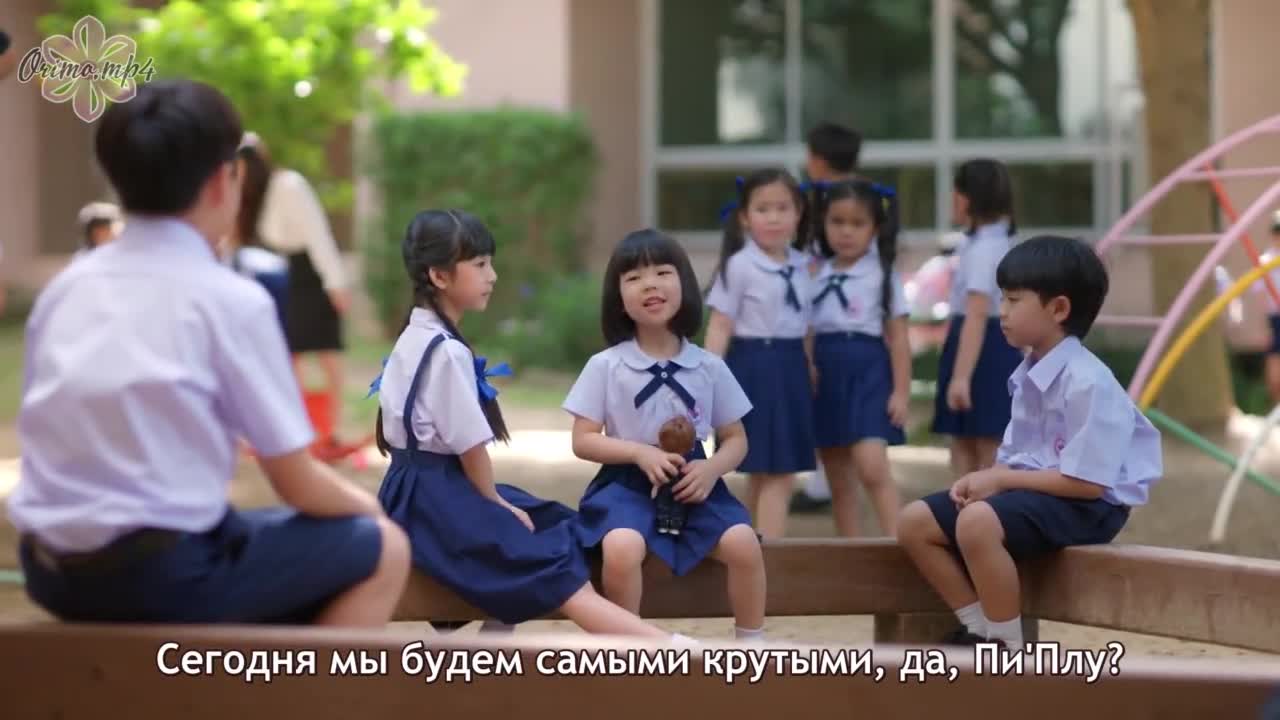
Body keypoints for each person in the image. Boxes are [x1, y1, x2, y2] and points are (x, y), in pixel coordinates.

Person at [9, 79, 409, 626]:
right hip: (161, 574)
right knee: (382, 548)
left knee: (243, 542)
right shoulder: (230, 299)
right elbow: (297, 483)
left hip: (49, 569)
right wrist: (379, 517)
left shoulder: (64, 290)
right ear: (227, 179)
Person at [372, 209, 690, 642]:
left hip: (410, 492)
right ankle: (668, 648)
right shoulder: (446, 351)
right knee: (549, 560)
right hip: (435, 502)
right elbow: (471, 449)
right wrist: (495, 505)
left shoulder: (415, 334)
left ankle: (492, 645)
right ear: (440, 276)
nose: (492, 276)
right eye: (480, 265)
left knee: (549, 520)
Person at [897, 235, 1162, 651]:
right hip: (1041, 493)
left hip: (1091, 507)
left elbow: (1088, 484)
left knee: (977, 523)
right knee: (915, 522)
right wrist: (987, 478)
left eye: (1014, 300)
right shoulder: (1027, 373)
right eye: (1002, 298)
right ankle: (978, 626)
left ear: (1058, 309)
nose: (1001, 311)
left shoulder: (1089, 382)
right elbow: (1016, 457)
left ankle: (1006, 644)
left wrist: (1000, 479)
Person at [564, 229, 767, 641]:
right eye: (634, 277)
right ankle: (628, 648)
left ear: (684, 284)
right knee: (621, 547)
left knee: (744, 542)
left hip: (695, 484)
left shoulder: (708, 367)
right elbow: (583, 439)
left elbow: (736, 438)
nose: (650, 284)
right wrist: (639, 454)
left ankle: (751, 644)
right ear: (618, 297)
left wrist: (712, 470)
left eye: (662, 272)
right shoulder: (606, 366)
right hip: (626, 484)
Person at [703, 168, 816, 539]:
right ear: (744, 217)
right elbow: (720, 325)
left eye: (783, 208)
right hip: (754, 369)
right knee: (777, 474)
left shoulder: (802, 265)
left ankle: (752, 549)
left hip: (791, 370)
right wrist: (708, 379)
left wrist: (809, 365)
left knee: (770, 472)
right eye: (763, 209)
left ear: (798, 214)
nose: (773, 217)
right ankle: (769, 557)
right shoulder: (740, 265)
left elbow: (804, 325)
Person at [808, 180, 910, 537]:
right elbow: (805, 328)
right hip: (826, 374)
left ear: (875, 228)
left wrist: (901, 392)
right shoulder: (814, 272)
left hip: (869, 372)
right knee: (837, 474)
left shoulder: (883, 273)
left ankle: (900, 544)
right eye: (837, 221)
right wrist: (808, 364)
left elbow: (899, 338)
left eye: (857, 223)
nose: (846, 231)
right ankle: (849, 551)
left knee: (872, 465)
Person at [237, 132, 350, 447]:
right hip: (281, 273)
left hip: (312, 272)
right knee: (289, 354)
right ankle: (301, 430)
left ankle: (333, 429)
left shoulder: (289, 185)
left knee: (327, 351)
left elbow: (318, 234)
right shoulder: (251, 196)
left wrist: (335, 283)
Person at [931, 158, 1024, 478]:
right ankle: (967, 506)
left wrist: (961, 377)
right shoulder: (987, 242)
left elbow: (977, 314)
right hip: (982, 343)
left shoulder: (985, 248)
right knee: (967, 440)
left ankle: (977, 507)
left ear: (965, 198)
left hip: (982, 348)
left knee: (984, 444)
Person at [794, 122, 864, 514]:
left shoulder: (820, 201)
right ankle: (828, 480)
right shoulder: (871, 198)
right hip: (860, 319)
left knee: (828, 398)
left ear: (818, 160)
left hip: (827, 314)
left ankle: (828, 481)